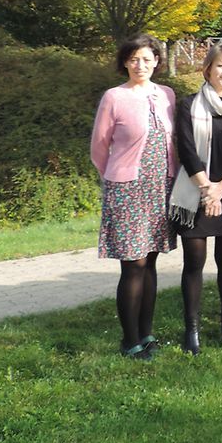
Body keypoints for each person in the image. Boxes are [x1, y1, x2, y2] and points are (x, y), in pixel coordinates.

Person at [90, 33, 177, 359]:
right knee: (133, 263)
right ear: (125, 62)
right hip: (127, 190)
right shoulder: (114, 97)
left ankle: (146, 333)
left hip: (161, 188)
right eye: (134, 59)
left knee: (150, 261)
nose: (141, 65)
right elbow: (99, 148)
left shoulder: (166, 95)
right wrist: (117, 177)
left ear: (156, 61)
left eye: (147, 59)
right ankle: (130, 340)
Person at [169, 42, 222, 353]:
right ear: (208, 69)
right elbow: (186, 151)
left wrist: (220, 189)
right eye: (221, 65)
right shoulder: (188, 105)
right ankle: (191, 330)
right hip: (195, 194)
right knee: (194, 263)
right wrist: (208, 189)